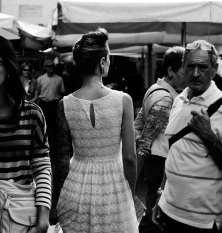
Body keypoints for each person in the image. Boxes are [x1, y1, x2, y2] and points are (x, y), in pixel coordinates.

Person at [55, 27, 138, 232]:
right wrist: (131, 194)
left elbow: (62, 160)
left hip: (76, 188)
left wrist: (55, 200)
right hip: (113, 189)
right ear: (102, 62)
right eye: (108, 56)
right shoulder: (123, 101)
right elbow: (130, 157)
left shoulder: (64, 104)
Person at [0, 35, 51, 233]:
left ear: (7, 68)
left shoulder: (32, 114)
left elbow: (42, 168)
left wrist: (42, 220)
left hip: (19, 221)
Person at [153, 40, 222, 233]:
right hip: (169, 213)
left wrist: (208, 135)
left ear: (214, 69)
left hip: (202, 222)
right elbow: (173, 152)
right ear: (183, 67)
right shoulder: (178, 100)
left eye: (203, 67)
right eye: (190, 66)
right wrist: (161, 194)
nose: (196, 73)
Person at [134, 46, 185, 232]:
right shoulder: (165, 99)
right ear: (171, 71)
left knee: (153, 205)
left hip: (153, 162)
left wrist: (141, 140)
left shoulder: (153, 89)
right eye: (183, 70)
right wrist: (144, 143)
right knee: (157, 211)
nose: (187, 76)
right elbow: (146, 137)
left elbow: (137, 126)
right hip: (161, 162)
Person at [37, 58, 65, 154]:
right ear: (45, 68)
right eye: (49, 67)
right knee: (43, 125)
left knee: (54, 126)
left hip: (54, 105)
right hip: (43, 104)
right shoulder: (40, 79)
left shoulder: (59, 79)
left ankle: (53, 146)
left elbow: (62, 94)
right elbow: (37, 93)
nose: (51, 68)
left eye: (52, 66)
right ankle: (43, 144)